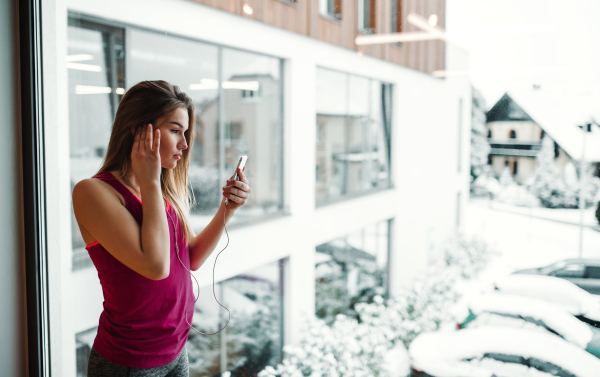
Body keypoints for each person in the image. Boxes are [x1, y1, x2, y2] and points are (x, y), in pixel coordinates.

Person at [72, 80, 251, 376]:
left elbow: (189, 258)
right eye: (175, 130)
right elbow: (156, 266)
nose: (184, 144)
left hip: (176, 350)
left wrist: (227, 209)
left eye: (186, 133)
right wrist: (151, 180)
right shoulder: (94, 192)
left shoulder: (160, 193)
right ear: (139, 131)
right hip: (129, 362)